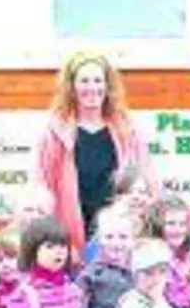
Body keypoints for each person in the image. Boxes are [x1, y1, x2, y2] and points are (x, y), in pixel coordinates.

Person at [33, 51, 157, 256]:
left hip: (120, 238)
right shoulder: (54, 132)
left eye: (98, 80)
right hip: (70, 238)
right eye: (84, 81)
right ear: (72, 87)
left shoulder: (127, 130)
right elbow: (41, 186)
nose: (92, 88)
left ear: (108, 86)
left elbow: (148, 182)